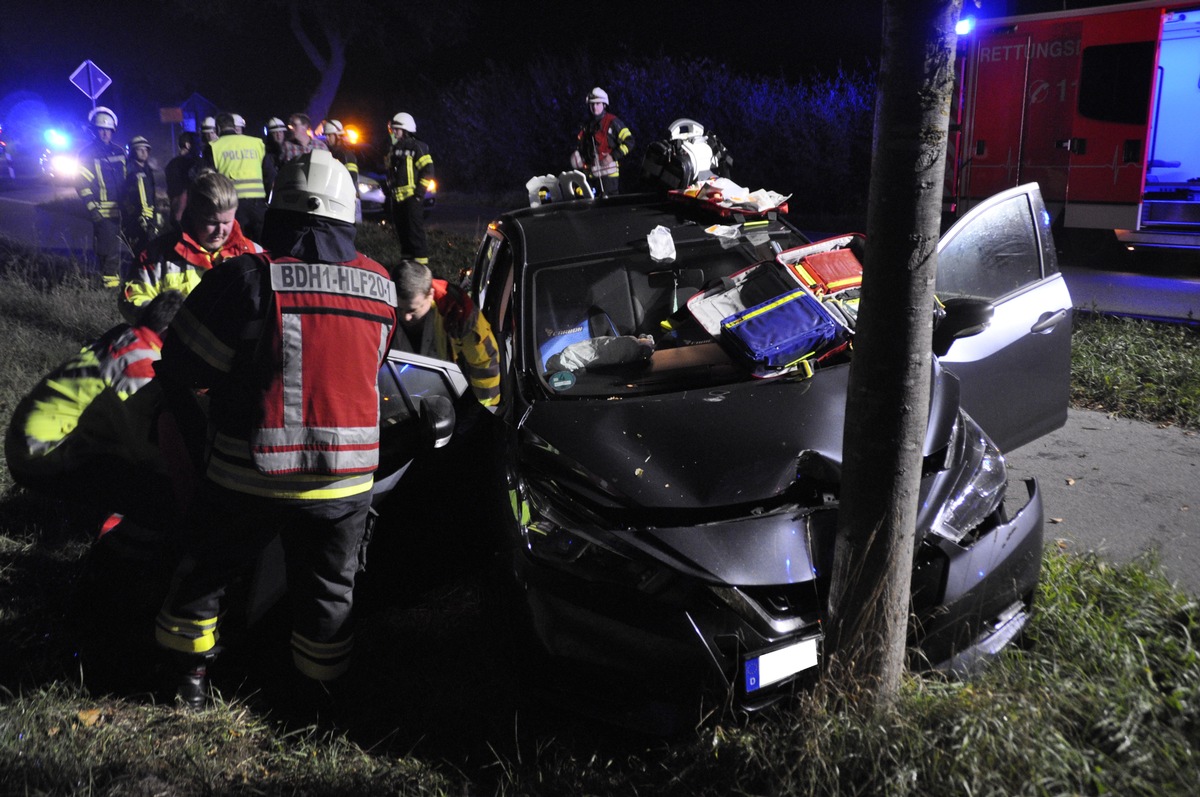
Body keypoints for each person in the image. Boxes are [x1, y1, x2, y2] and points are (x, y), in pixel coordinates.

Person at [152, 149, 398, 710]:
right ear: (347, 216)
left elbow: (185, 365)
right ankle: (317, 699)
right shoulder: (380, 286)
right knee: (331, 591)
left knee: (207, 572)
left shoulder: (245, 279)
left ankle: (185, 681)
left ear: (277, 213)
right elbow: (371, 363)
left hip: (249, 475)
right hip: (344, 485)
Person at [5, 290, 186, 524]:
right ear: (171, 330)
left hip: (27, 444)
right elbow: (146, 450)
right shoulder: (140, 363)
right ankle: (118, 541)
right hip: (40, 457)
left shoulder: (128, 337)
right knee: (159, 487)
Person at [119, 169, 262, 323]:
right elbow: (132, 299)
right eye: (212, 222)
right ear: (193, 213)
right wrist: (162, 321)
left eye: (227, 222)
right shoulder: (157, 255)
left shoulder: (254, 254)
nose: (220, 231)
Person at [392, 260, 500, 409]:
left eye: (412, 310)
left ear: (430, 294)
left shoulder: (458, 313)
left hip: (448, 398)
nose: (405, 317)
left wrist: (483, 411)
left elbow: (485, 365)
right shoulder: (381, 306)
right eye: (400, 309)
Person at [76, 106, 127, 287]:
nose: (105, 133)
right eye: (101, 129)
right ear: (95, 131)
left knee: (127, 248)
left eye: (108, 130)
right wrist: (92, 207)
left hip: (123, 209)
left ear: (113, 131)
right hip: (103, 211)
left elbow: (128, 179)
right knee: (108, 251)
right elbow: (82, 183)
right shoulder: (87, 154)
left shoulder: (120, 152)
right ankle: (109, 290)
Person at [204, 112, 269, 240]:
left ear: (217, 128)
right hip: (259, 204)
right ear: (234, 126)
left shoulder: (213, 147)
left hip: (232, 205)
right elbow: (269, 174)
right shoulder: (257, 143)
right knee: (261, 246)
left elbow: (207, 179)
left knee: (237, 244)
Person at [384, 112, 436, 265]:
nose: (394, 132)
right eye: (393, 130)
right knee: (403, 235)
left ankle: (421, 268)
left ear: (406, 130)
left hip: (412, 199)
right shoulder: (394, 149)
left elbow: (428, 171)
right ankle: (407, 266)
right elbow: (390, 172)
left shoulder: (417, 147)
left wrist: (419, 195)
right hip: (397, 200)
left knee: (415, 236)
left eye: (397, 130)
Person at [570, 87, 634, 196]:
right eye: (592, 104)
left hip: (609, 178)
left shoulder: (613, 122)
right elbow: (585, 148)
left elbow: (630, 141)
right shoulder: (587, 126)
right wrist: (579, 158)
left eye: (598, 104)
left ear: (604, 105)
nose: (595, 107)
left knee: (610, 208)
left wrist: (612, 156)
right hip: (591, 178)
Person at [120, 135, 160, 256]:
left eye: (146, 149)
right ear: (132, 152)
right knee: (141, 253)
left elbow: (150, 196)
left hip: (149, 218)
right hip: (137, 219)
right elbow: (127, 197)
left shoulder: (147, 170)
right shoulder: (130, 171)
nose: (144, 152)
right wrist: (142, 217)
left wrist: (154, 216)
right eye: (139, 149)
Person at [322, 119, 360, 221]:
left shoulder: (346, 155)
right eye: (326, 135)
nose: (327, 138)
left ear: (338, 136)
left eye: (329, 135)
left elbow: (352, 178)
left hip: (344, 199)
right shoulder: (330, 153)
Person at [165, 132, 201, 226]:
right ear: (188, 145)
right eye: (197, 144)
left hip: (176, 212)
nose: (200, 147)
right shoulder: (195, 163)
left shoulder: (171, 164)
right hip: (192, 212)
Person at [263, 117, 288, 193]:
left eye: (280, 132)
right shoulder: (265, 151)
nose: (278, 135)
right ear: (270, 135)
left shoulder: (288, 149)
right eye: (275, 133)